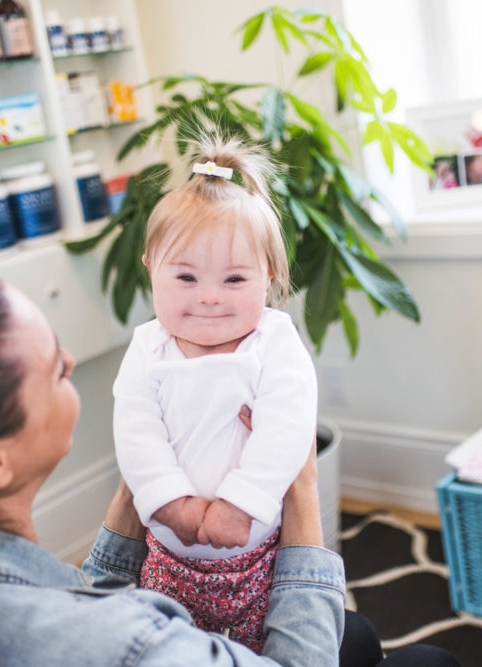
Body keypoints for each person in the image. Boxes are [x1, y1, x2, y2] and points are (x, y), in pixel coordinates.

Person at [0, 265, 461, 667]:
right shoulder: (123, 644)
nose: (73, 364)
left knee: (357, 637)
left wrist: (145, 480)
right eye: (55, 369)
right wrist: (299, 484)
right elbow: (102, 631)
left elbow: (77, 601)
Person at [112, 136, 317, 653]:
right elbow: (136, 433)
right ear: (150, 266)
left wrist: (240, 504)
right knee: (168, 649)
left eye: (234, 279)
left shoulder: (273, 341)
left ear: (267, 277)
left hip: (259, 558)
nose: (208, 296)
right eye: (185, 276)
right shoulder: (148, 347)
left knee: (260, 651)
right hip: (168, 559)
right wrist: (170, 501)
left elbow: (287, 430)